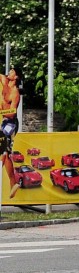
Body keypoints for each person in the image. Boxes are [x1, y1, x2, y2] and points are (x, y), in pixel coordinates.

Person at [1, 69, 21, 198]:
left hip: (11, 123)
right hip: (4, 122)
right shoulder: (4, 82)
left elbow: (12, 113)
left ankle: (13, 181)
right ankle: (13, 182)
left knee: (4, 151)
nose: (9, 72)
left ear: (16, 77)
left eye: (12, 72)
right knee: (5, 154)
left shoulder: (15, 93)